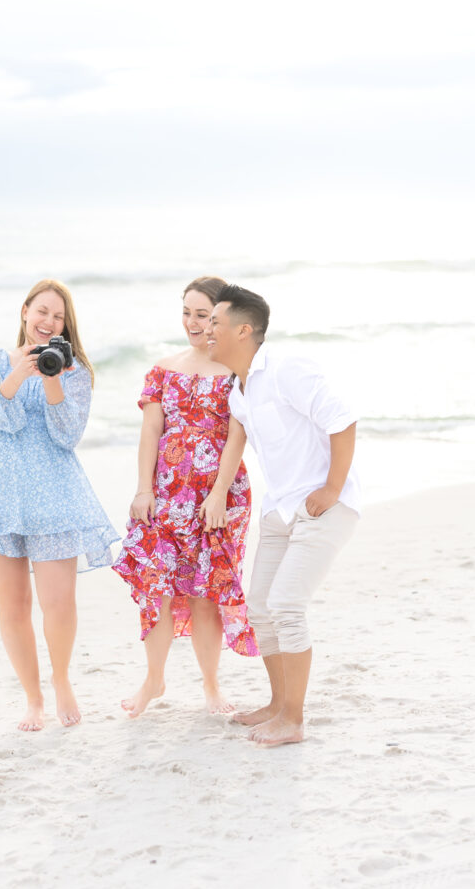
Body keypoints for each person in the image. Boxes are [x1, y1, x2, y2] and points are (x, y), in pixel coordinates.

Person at [206, 284, 360, 747]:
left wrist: (332, 487)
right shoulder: (239, 389)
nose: (206, 330)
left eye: (215, 322)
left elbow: (343, 418)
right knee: (260, 609)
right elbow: (240, 444)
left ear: (244, 329)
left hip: (321, 507)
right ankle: (277, 704)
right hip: (279, 511)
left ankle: (293, 720)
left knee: (287, 606)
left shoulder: (287, 368)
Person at [0, 279, 119, 732]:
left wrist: (52, 380)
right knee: (12, 606)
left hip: (53, 492)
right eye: (42, 311)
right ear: (25, 311)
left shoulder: (77, 372)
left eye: (58, 316)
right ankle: (33, 699)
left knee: (59, 602)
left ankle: (62, 679)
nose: (48, 322)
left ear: (65, 325)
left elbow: (67, 434)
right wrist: (20, 373)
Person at [113, 276, 257, 719]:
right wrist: (143, 490)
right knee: (155, 588)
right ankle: (153, 680)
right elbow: (151, 432)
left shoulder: (236, 371)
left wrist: (216, 496)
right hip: (165, 495)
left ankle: (211, 686)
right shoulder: (162, 368)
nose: (194, 323)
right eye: (187, 312)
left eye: (203, 315)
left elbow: (238, 435)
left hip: (218, 496)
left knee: (204, 594)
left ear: (221, 318)